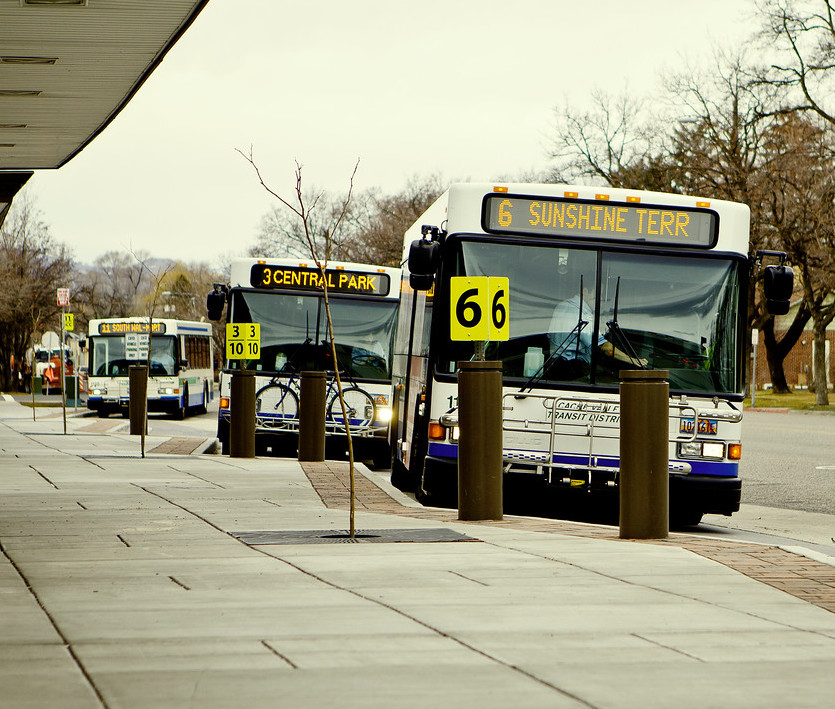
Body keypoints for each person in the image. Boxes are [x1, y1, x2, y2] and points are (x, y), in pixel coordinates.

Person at [549, 281, 646, 367]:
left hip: (554, 365)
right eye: (598, 294)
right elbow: (605, 348)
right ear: (585, 291)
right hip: (572, 368)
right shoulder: (580, 312)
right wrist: (632, 360)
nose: (600, 298)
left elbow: (550, 338)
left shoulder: (561, 306)